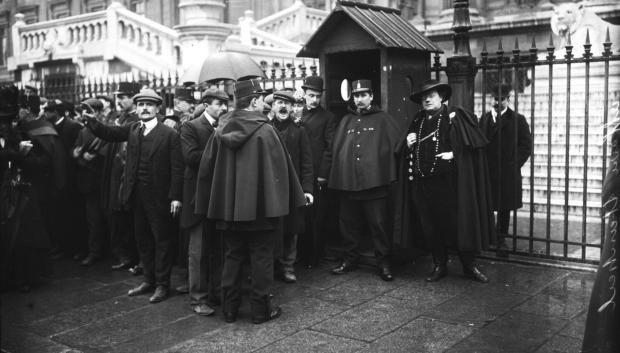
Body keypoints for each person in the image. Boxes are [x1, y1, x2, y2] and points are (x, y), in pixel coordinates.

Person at [195, 78, 306, 324]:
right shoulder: (266, 130)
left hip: (228, 210)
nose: (264, 103)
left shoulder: (220, 130)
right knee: (261, 258)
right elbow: (282, 169)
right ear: (254, 101)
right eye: (262, 99)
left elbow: (206, 169)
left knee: (232, 256)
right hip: (261, 210)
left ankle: (230, 310)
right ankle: (260, 311)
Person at [84, 88, 183, 303]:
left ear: (158, 109)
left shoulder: (170, 134)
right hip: (137, 195)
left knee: (162, 241)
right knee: (143, 239)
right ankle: (148, 280)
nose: (144, 108)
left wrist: (176, 197)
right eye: (141, 105)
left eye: (149, 105)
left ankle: (162, 285)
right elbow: (109, 134)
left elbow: (177, 168)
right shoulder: (134, 129)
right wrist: (92, 121)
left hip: (160, 197)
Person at [394, 79, 494, 283]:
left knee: (458, 225)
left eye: (431, 96)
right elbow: (404, 151)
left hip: (450, 185)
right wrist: (408, 143)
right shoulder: (418, 120)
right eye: (423, 98)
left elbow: (472, 149)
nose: (427, 100)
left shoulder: (455, 117)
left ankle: (468, 266)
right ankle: (440, 265)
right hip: (423, 185)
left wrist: (454, 155)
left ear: (441, 97)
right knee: (431, 227)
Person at [327, 79, 400, 281]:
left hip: (374, 183)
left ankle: (383, 262)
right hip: (348, 183)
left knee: (378, 224)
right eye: (356, 95)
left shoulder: (383, 119)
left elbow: (393, 147)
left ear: (371, 97)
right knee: (348, 224)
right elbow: (337, 150)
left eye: (363, 95)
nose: (359, 99)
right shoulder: (346, 121)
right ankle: (350, 260)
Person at [0, 84, 59, 292]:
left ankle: (23, 276)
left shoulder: (30, 130)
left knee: (24, 235)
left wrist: (21, 157)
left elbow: (44, 162)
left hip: (22, 190)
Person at [179, 88, 229, 316]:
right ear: (207, 104)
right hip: (197, 198)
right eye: (219, 103)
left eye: (225, 104)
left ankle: (216, 292)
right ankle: (198, 299)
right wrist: (217, 139)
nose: (224, 108)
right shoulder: (191, 127)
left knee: (218, 248)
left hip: (218, 197)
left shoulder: (224, 127)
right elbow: (191, 157)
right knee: (198, 251)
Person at [478, 84, 532, 251]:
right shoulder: (484, 119)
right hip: (488, 171)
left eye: (501, 99)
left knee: (504, 207)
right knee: (487, 203)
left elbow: (526, 146)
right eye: (495, 99)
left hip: (507, 172)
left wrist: (513, 164)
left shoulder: (518, 119)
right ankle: (488, 235)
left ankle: (501, 237)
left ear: (508, 100)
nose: (497, 102)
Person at [270, 90, 314, 283]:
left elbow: (307, 163)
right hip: (271, 189)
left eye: (287, 104)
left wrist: (307, 190)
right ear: (272, 106)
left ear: (292, 108)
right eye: (279, 102)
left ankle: (288, 266)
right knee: (272, 229)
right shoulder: (265, 129)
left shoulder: (299, 131)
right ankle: (273, 266)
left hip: (292, 189)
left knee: (292, 229)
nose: (283, 107)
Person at [297, 76, 338, 268]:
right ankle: (301, 254)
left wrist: (323, 173)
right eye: (311, 95)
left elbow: (330, 147)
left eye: (317, 96)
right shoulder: (297, 114)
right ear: (304, 94)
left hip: (316, 174)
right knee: (301, 215)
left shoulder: (328, 117)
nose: (314, 99)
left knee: (317, 216)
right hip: (299, 172)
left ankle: (316, 255)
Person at [42, 99, 85, 261]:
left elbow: (78, 149)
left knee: (74, 215)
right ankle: (63, 246)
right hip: (57, 178)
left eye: (48, 110)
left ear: (56, 112)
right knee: (60, 215)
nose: (45, 113)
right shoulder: (50, 127)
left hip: (72, 179)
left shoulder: (72, 126)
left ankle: (77, 248)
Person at [105, 82, 141, 274]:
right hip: (117, 172)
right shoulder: (119, 117)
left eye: (124, 96)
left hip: (129, 174)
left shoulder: (136, 119)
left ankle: (134, 258)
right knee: (119, 217)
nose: (119, 100)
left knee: (130, 218)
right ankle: (125, 256)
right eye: (118, 96)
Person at [72, 98, 108, 266]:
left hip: (101, 181)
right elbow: (76, 152)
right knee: (90, 219)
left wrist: (86, 158)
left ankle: (97, 252)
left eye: (89, 110)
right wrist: (78, 156)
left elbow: (105, 155)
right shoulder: (83, 131)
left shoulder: (105, 129)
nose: (85, 114)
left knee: (98, 219)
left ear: (98, 112)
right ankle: (93, 250)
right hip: (86, 182)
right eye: (83, 110)